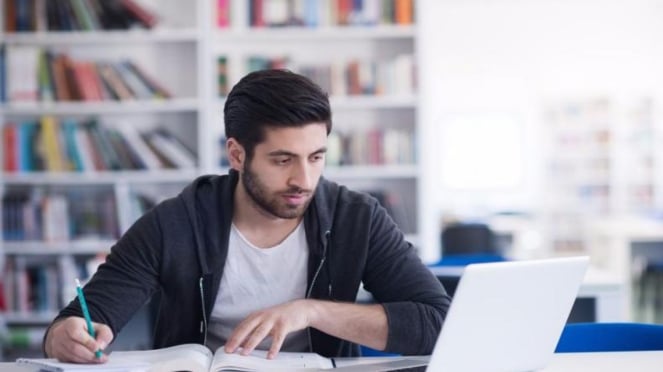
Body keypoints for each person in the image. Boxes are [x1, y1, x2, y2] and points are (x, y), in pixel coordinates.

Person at [43, 69, 451, 363]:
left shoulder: (356, 219)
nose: (304, 180)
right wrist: (68, 336)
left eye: (316, 157)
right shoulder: (173, 223)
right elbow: (78, 321)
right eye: (282, 160)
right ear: (236, 154)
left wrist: (310, 310)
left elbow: (436, 323)